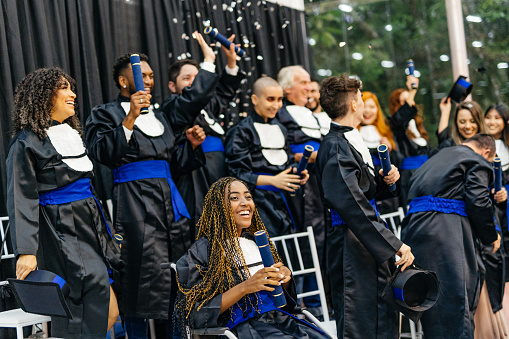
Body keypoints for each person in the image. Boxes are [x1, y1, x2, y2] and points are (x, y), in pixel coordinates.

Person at [85, 53, 205, 338]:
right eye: (143, 76)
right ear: (124, 81)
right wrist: (129, 118)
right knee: (138, 277)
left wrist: (190, 145)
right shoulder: (104, 114)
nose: (149, 81)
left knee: (176, 275)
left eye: (151, 76)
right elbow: (101, 153)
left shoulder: (160, 115)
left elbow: (172, 165)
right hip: (134, 204)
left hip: (170, 205)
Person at [7, 68, 122, 338]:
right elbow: (21, 198)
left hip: (89, 225)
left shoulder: (70, 135)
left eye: (72, 88)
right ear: (44, 95)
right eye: (64, 88)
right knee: (82, 309)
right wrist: (26, 250)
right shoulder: (25, 143)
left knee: (111, 310)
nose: (73, 94)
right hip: (62, 231)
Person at [316, 74, 414, 338]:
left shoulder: (348, 140)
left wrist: (386, 181)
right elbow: (352, 205)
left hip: (363, 236)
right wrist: (395, 243)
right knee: (359, 319)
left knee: (381, 312)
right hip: (350, 243)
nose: (362, 101)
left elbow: (362, 191)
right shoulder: (336, 147)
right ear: (354, 105)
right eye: (360, 97)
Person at [175, 177, 329, 339]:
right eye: (234, 198)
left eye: (248, 197)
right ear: (218, 206)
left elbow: (283, 303)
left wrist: (284, 279)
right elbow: (195, 314)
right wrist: (245, 287)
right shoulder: (201, 252)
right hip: (239, 328)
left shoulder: (256, 243)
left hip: (278, 321)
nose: (245, 203)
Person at [401, 134, 502, 339]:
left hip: (415, 231)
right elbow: (478, 200)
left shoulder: (435, 159)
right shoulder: (476, 160)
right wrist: (491, 236)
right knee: (456, 303)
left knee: (431, 302)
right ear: (487, 152)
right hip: (446, 233)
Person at [160, 32, 243, 232]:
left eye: (198, 78)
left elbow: (223, 92)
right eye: (187, 78)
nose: (195, 83)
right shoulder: (173, 106)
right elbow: (194, 97)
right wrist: (209, 60)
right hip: (198, 176)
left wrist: (231, 62)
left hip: (221, 171)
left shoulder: (206, 106)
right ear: (172, 86)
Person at [225, 77, 309, 237]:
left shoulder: (281, 129)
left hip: (287, 202)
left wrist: (297, 173)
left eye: (280, 100)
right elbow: (237, 176)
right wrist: (273, 180)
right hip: (258, 203)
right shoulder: (241, 131)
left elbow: (288, 162)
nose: (276, 105)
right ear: (255, 99)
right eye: (270, 99)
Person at [276, 66, 325, 313]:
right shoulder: (282, 116)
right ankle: (306, 308)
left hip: (321, 187)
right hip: (301, 188)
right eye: (303, 82)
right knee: (305, 245)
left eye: (309, 82)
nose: (309, 87)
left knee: (321, 243)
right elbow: (286, 152)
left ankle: (322, 305)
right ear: (287, 89)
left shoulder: (315, 115)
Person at [388, 76, 429, 206]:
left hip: (426, 174)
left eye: (410, 100)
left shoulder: (417, 126)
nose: (410, 103)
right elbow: (400, 118)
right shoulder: (395, 125)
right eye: (403, 101)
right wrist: (412, 91)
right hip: (409, 178)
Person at [360, 91, 400, 214]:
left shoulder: (386, 132)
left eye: (372, 107)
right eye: (364, 106)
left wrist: (389, 151)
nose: (367, 111)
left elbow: (399, 162)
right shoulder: (353, 134)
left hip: (386, 188)